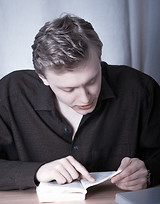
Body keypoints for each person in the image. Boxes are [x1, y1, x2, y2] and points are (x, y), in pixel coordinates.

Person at [0, 14, 160, 191]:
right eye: (68, 89)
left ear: (99, 58)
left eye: (92, 81)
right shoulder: (10, 94)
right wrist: (37, 172)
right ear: (43, 77)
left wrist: (149, 172)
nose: (85, 98)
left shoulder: (140, 90)